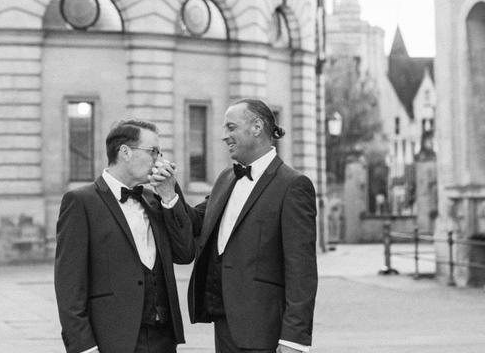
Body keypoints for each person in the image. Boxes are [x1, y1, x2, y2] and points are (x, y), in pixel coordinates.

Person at [186, 99, 318, 353]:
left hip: (264, 331)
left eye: (231, 127)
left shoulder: (293, 185)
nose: (224, 136)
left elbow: (301, 270)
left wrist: (294, 340)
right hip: (224, 323)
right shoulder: (226, 178)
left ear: (257, 127)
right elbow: (195, 221)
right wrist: (169, 194)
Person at [54, 119, 194, 353]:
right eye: (153, 152)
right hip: (113, 340)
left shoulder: (155, 200)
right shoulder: (80, 202)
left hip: (163, 340)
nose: (159, 161)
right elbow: (69, 284)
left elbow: (185, 253)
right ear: (125, 152)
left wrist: (170, 197)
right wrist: (83, 347)